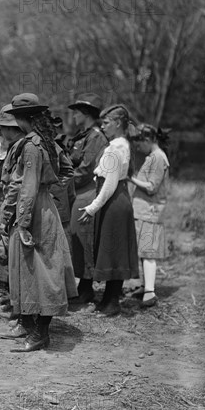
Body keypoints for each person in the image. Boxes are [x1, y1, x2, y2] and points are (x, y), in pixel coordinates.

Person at [0, 93, 76, 352]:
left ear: (21, 119)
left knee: (43, 272)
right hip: (41, 208)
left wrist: (22, 222)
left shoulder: (32, 145)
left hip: (34, 212)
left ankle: (41, 333)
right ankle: (31, 326)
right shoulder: (43, 141)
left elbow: (28, 186)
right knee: (32, 270)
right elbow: (60, 174)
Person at [78, 104, 139, 316]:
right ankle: (107, 299)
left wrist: (93, 208)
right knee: (111, 248)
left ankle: (112, 301)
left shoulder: (116, 147)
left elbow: (110, 182)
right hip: (113, 200)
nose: (102, 127)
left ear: (118, 123)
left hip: (113, 201)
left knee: (114, 250)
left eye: (106, 123)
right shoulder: (119, 144)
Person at [66, 93, 109, 304]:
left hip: (86, 192)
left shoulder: (96, 137)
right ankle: (80, 285)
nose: (73, 116)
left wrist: (61, 181)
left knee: (83, 236)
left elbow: (84, 170)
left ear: (85, 114)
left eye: (76, 112)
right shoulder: (81, 135)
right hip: (77, 191)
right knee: (75, 236)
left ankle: (86, 287)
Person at [0, 104, 27, 308]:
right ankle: (4, 291)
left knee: (10, 249)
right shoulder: (12, 146)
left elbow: (17, 181)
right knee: (0, 247)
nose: (0, 132)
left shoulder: (23, 147)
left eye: (4, 127)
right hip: (6, 201)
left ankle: (14, 297)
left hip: (16, 205)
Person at [129, 124, 170, 307]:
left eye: (139, 143)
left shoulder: (158, 158)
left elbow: (152, 187)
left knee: (148, 253)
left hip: (150, 211)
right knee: (144, 252)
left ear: (147, 140)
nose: (138, 147)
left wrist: (131, 178)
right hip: (144, 211)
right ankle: (146, 286)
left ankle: (150, 292)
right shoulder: (153, 157)